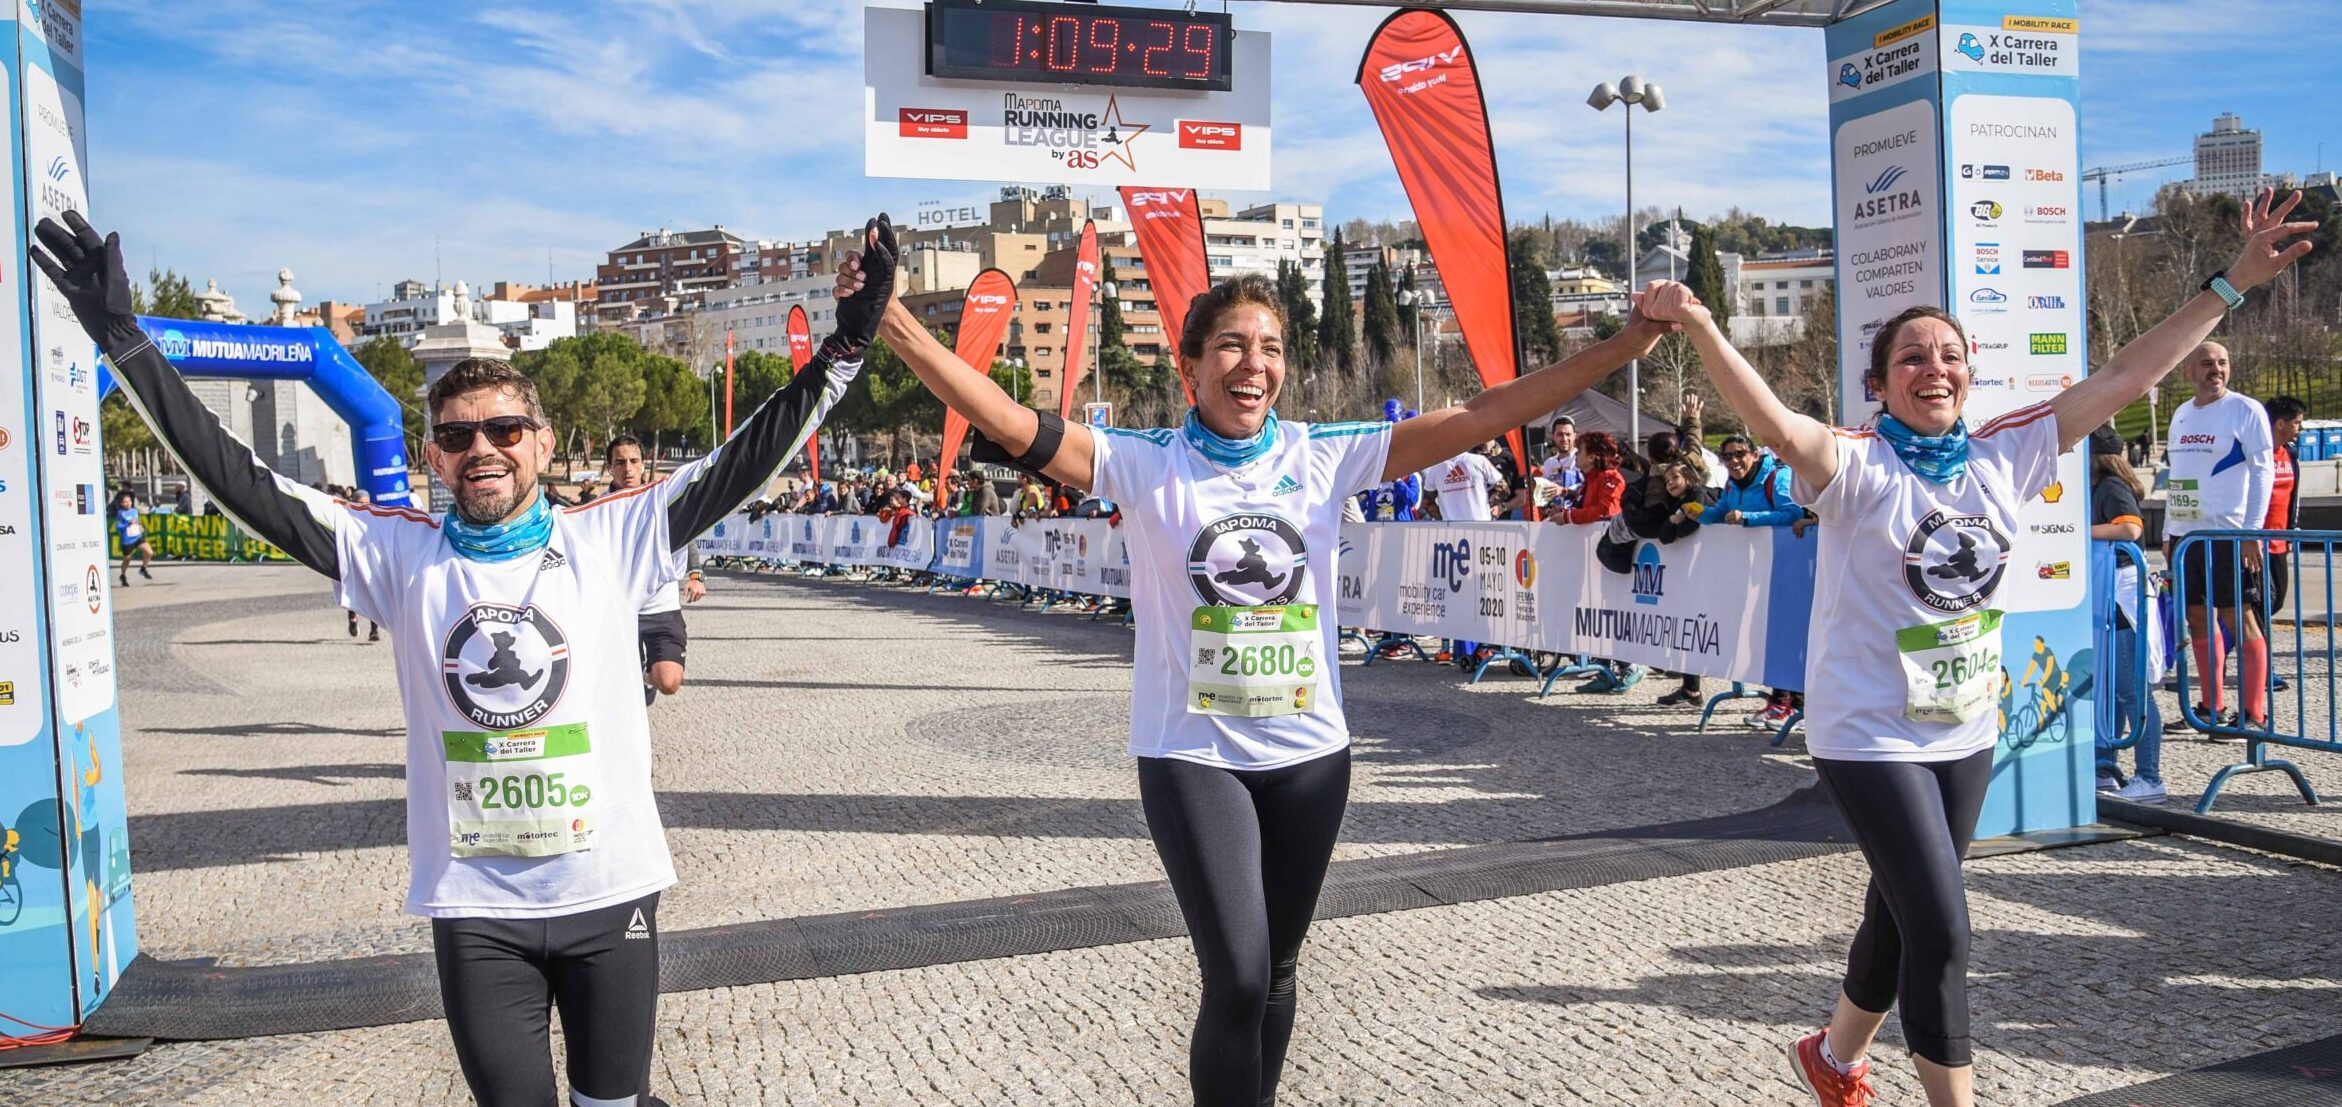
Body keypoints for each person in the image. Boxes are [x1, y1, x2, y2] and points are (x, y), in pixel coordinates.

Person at [36, 210, 895, 1107]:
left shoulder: (617, 533)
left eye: (505, 430)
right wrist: (126, 342)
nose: (482, 448)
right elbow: (240, 480)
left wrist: (850, 340)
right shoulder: (398, 554)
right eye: (456, 436)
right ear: (432, 456)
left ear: (544, 440)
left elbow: (752, 452)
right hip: (477, 909)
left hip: (610, 890)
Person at [849, 232, 1675, 1105]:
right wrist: (893, 321)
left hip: (1310, 756)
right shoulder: (1146, 463)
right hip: (1192, 754)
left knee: (1279, 969)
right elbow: (1013, 422)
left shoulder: (1321, 456)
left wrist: (1626, 347)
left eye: (1272, 347)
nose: (1255, 365)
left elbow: (1481, 415)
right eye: (1234, 346)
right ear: (1191, 365)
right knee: (1239, 975)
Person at [1637, 187, 2312, 1107]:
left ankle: (1833, 1058)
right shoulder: (1854, 463)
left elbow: (2125, 377)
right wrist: (1705, 325)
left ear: (1971, 371)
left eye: (1950, 354)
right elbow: (1768, 422)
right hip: (1866, 732)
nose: (1934, 367)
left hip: (1963, 724)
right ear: (1878, 385)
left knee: (1903, 908)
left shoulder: (2007, 451)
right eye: (1911, 357)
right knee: (1945, 928)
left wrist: (2231, 284)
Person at [2162, 340, 2275, 731]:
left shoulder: (2245, 410)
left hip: (2229, 535)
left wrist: (2251, 532)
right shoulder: (2180, 414)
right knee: (2196, 617)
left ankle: (2253, 713)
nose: (2216, 369)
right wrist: (2168, 531)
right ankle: (2211, 708)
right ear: (2188, 371)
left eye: (2223, 362)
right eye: (2207, 363)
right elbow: (2178, 478)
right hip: (2187, 537)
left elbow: (2264, 472)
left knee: (2237, 615)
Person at [2089, 424, 2163, 803]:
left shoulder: (2111, 488)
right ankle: (2106, 766)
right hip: (2110, 597)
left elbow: (2131, 528)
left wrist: (2081, 531)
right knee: (2113, 690)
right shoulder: (2104, 486)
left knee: (2132, 692)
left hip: (2123, 598)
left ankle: (2149, 776)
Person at [604, 435, 706, 707]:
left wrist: (696, 575)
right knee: (622, 696)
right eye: (620, 462)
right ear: (609, 468)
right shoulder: (596, 510)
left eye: (634, 461)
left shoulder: (661, 500)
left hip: (662, 608)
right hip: (622, 611)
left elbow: (688, 535)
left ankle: (646, 676)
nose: (628, 468)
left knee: (669, 682)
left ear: (643, 464)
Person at [1624, 462, 1717, 706]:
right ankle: (1690, 689)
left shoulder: (1699, 494)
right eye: (1667, 481)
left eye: (1675, 477)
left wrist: (1677, 523)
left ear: (1688, 476)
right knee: (1687, 627)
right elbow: (1665, 535)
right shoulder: (1676, 503)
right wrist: (1675, 521)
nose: (1671, 483)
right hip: (1686, 572)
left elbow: (1691, 527)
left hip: (1707, 570)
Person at [2262, 394, 2306, 625]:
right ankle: (2245, 649)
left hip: (2280, 541)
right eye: (2297, 422)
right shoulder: (2255, 452)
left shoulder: (2290, 452)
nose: (2300, 427)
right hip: (2254, 541)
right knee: (2261, 600)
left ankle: (2232, 640)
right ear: (2280, 423)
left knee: (2276, 601)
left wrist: (2292, 528)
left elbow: (2293, 495)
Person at [1418, 442, 1502, 522]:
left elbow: (1427, 502)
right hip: (1481, 523)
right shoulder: (1479, 460)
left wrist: (1442, 517)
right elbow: (1503, 488)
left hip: (1452, 526)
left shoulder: (1435, 469)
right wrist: (1493, 506)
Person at [1541, 414, 1584, 511]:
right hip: (1556, 517)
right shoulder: (1549, 463)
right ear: (1553, 436)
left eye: (1568, 434)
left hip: (1577, 515)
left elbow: (1587, 491)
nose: (1564, 439)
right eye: (1560, 434)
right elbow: (1545, 494)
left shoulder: (1581, 458)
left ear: (1574, 436)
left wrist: (1563, 491)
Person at [112, 490, 154, 586]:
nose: (128, 503)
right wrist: (127, 524)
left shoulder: (134, 511)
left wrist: (140, 527)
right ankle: (122, 575)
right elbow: (118, 526)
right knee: (127, 559)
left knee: (149, 552)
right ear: (122, 503)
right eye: (126, 502)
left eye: (130, 501)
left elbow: (136, 522)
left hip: (137, 537)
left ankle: (143, 569)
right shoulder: (120, 513)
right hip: (127, 540)